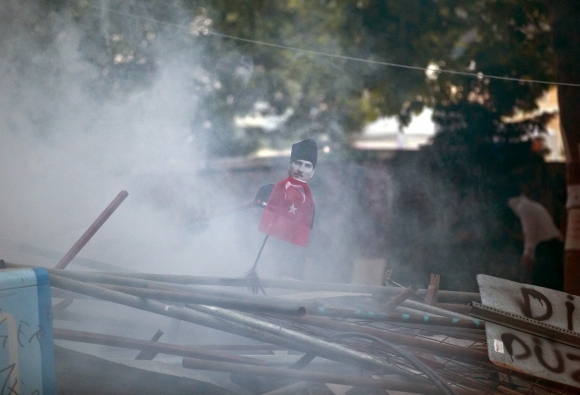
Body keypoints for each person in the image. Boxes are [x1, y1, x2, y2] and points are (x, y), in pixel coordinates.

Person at [256, 139, 317, 279]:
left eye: (307, 166)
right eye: (298, 163)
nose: (301, 170)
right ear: (289, 166)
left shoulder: (309, 206)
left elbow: (308, 245)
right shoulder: (267, 191)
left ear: (313, 172)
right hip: (263, 265)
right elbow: (252, 232)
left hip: (290, 276)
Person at [507, 193, 563, 290]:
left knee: (544, 286)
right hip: (553, 246)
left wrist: (527, 254)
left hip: (547, 248)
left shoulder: (523, 207)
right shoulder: (533, 205)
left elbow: (530, 232)